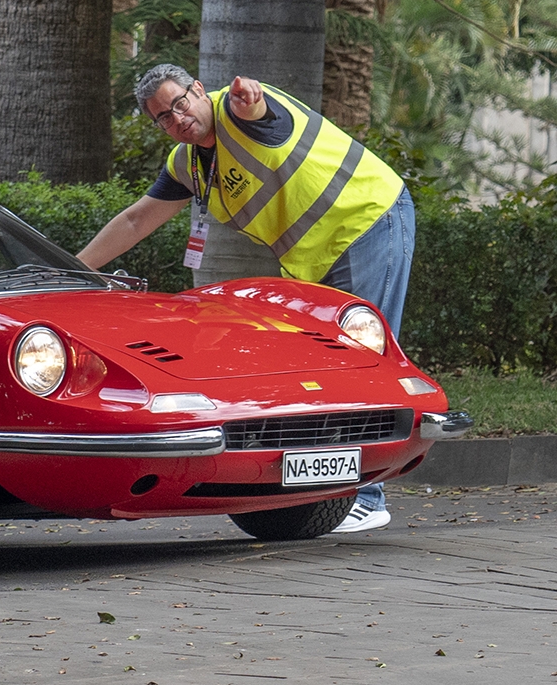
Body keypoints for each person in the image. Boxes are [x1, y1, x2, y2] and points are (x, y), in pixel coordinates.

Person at [77, 63, 415, 534]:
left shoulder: (238, 112)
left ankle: (367, 496)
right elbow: (137, 220)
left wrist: (250, 100)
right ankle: (326, 495)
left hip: (366, 219)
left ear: (199, 90)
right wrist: (74, 271)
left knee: (362, 361)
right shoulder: (189, 162)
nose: (178, 119)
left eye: (180, 103)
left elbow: (259, 111)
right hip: (316, 256)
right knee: (326, 372)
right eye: (163, 118)